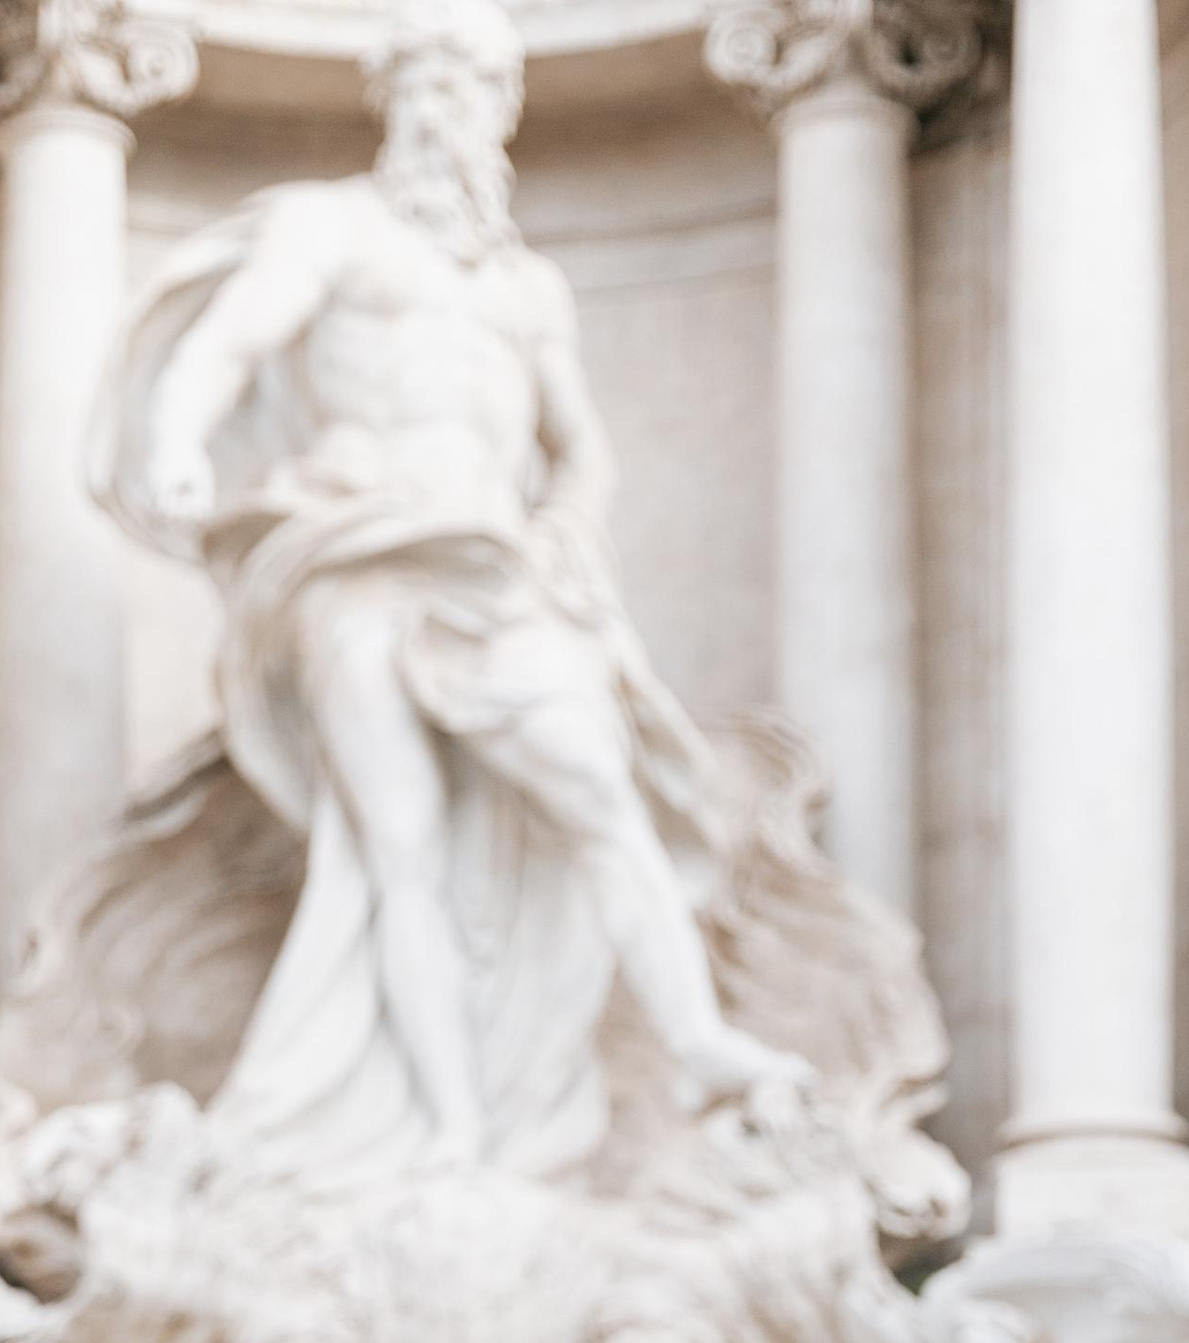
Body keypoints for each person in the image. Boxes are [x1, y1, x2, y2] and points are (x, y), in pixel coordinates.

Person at [91, 0, 808, 1183]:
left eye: (470, 91)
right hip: (353, 556)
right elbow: (224, 345)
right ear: (389, 107)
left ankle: (694, 1041)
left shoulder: (526, 290)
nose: (446, 113)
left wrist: (570, 521)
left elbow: (581, 446)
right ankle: (453, 1131)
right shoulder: (331, 231)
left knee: (604, 797)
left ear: (503, 114)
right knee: (397, 847)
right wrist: (176, 440)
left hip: (491, 568)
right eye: (425, 88)